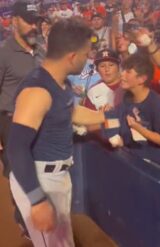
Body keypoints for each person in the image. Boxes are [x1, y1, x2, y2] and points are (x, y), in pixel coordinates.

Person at [7, 17, 120, 246]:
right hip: (40, 179)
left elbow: (71, 112)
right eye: (86, 53)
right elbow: (16, 148)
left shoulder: (60, 82)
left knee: (64, 241)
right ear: (72, 57)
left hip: (57, 176)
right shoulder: (37, 91)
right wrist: (37, 200)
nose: (89, 58)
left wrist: (111, 118)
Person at [0, 0, 45, 178]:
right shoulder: (3, 53)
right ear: (15, 21)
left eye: (36, 21)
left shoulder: (41, 51)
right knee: (18, 178)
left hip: (41, 122)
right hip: (12, 125)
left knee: (39, 177)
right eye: (29, 21)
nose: (34, 26)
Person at [117, 53, 160, 162]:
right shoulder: (126, 98)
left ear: (142, 79)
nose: (122, 74)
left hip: (159, 165)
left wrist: (138, 127)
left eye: (128, 72)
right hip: (136, 160)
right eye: (123, 70)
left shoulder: (157, 103)